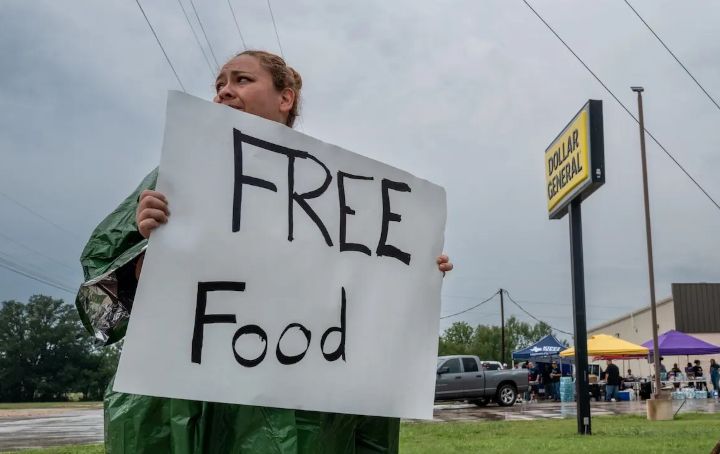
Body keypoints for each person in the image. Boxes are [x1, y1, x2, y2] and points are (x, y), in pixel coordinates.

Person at [75, 49, 454, 454]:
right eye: (219, 84)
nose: (224, 92)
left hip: (302, 402)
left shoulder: (333, 186)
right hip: (195, 398)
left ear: (284, 99)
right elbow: (102, 297)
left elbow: (360, 291)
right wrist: (142, 248)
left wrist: (415, 271)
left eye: (241, 80)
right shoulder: (178, 173)